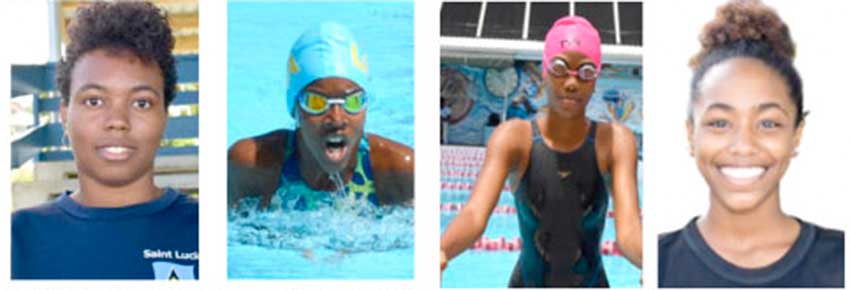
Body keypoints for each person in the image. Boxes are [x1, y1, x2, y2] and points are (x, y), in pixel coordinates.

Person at [440, 16, 642, 287]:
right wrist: (440, 252)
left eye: (585, 71)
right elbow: (474, 215)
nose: (571, 83)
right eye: (560, 68)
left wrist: (650, 261)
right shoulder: (513, 138)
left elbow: (628, 232)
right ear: (545, 71)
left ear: (595, 80)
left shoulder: (617, 142)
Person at [658, 0, 843, 287]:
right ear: (690, 135)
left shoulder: (840, 263)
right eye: (720, 123)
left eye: (768, 123)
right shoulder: (660, 265)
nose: (743, 145)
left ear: (796, 134)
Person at [11, 2, 198, 280]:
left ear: (164, 116)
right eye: (94, 101)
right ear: (65, 115)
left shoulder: (204, 229)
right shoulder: (17, 239)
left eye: (142, 103)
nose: (117, 120)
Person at [228, 22, 413, 210]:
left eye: (353, 102)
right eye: (316, 102)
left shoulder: (399, 172)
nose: (337, 119)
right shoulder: (253, 166)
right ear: (295, 110)